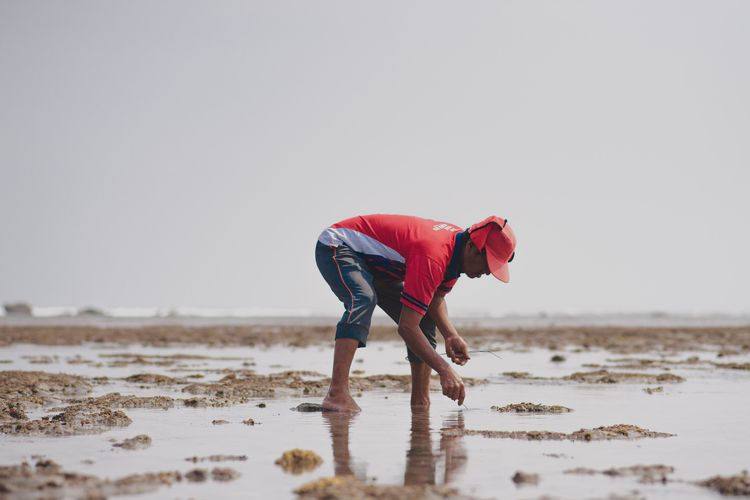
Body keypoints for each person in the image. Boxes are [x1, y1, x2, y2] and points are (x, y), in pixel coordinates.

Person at [315, 214, 516, 412]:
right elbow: (407, 327)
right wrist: (444, 369)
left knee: (424, 319)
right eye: (488, 264)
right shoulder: (434, 255)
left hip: (379, 267)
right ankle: (336, 394)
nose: (488, 272)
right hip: (339, 245)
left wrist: (450, 335)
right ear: (472, 247)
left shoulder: (456, 251)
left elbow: (435, 298)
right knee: (363, 299)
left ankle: (420, 403)